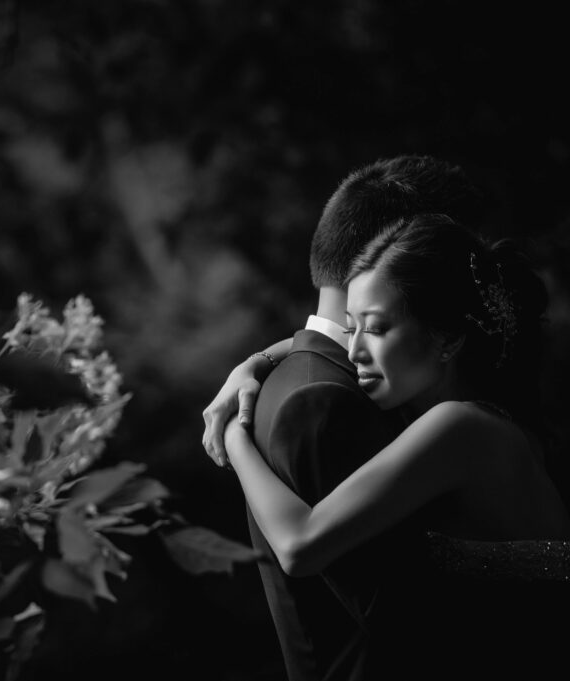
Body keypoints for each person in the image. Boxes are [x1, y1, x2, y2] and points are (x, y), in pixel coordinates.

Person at [225, 214, 570, 678]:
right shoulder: (476, 419)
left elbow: (299, 545)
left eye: (377, 329)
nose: (354, 351)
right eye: (351, 328)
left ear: (446, 339)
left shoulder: (459, 429)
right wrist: (256, 362)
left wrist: (233, 431)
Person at [202, 155, 487, 681]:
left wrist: (258, 358)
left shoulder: (323, 376)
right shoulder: (320, 404)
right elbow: (408, 618)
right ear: (390, 254)